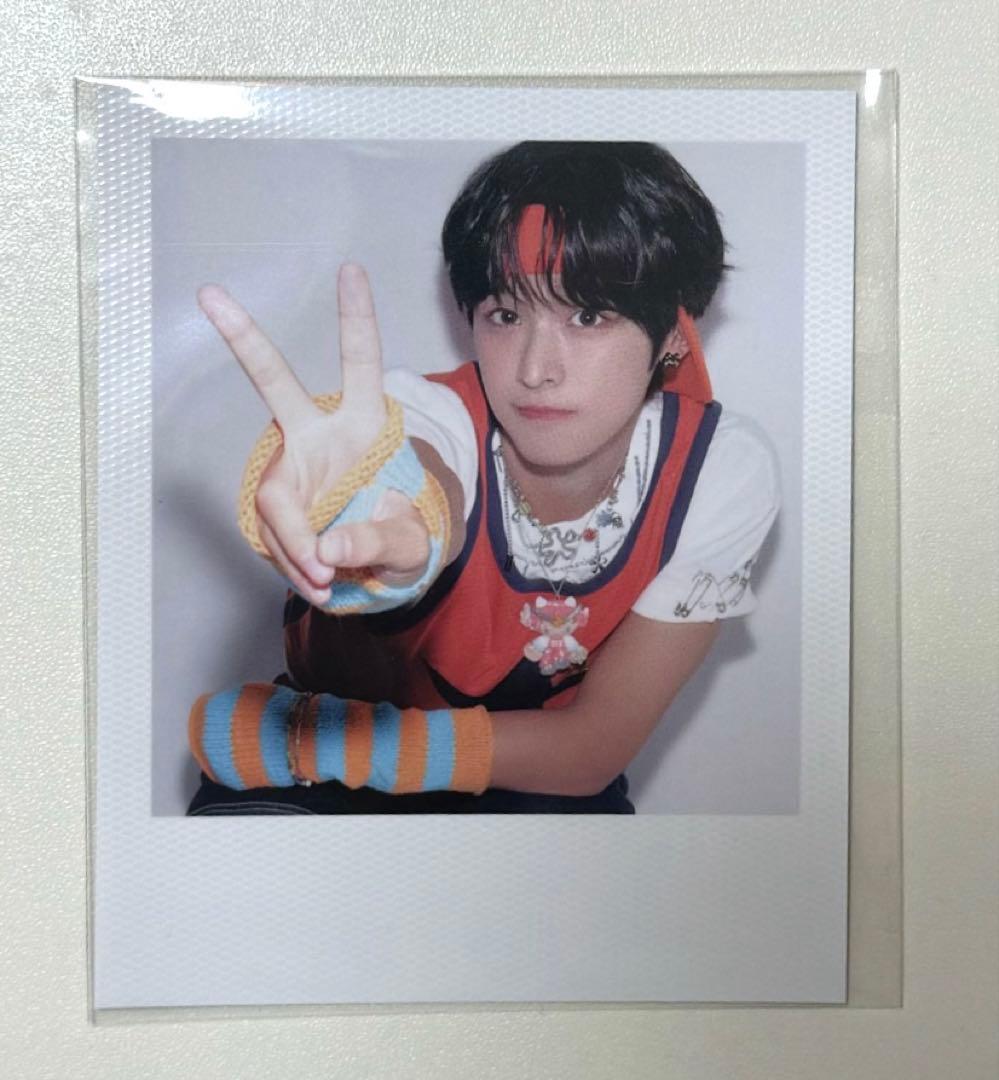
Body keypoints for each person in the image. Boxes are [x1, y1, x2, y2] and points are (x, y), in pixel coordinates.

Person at [186, 141, 779, 815]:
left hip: (514, 777)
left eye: (587, 316)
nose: (535, 369)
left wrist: (319, 744)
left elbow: (590, 752)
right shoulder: (426, 414)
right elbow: (417, 472)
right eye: (506, 314)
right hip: (314, 793)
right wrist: (382, 521)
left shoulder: (719, 469)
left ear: (673, 333)